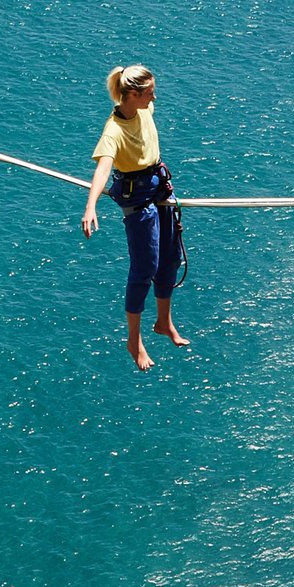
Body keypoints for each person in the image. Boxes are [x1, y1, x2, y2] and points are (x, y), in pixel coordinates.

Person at [81, 64, 188, 371]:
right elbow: (103, 168)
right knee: (144, 268)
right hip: (137, 197)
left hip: (159, 189)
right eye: (150, 92)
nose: (155, 97)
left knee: (170, 260)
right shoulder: (113, 131)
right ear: (134, 95)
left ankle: (164, 322)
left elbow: (145, 100)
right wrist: (91, 206)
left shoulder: (144, 108)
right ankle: (133, 340)